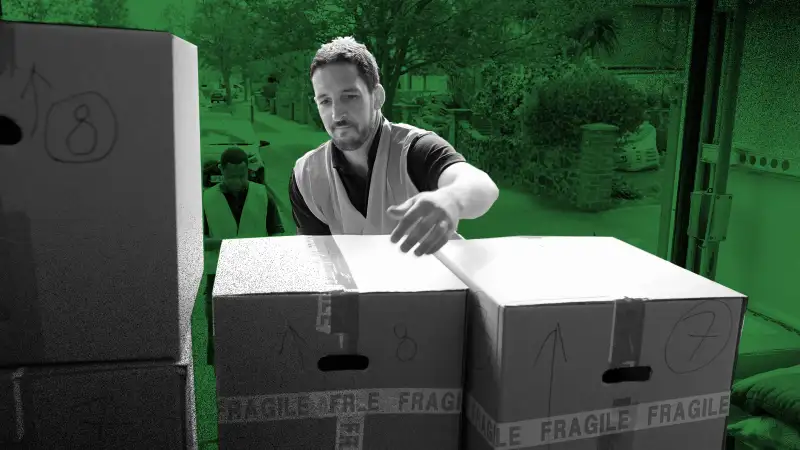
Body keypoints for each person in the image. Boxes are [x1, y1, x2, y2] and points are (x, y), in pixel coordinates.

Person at [290, 37, 499, 256]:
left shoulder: (416, 149)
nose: (336, 114)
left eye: (349, 96)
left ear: (377, 97)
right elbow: (321, 263)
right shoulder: (306, 176)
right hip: (360, 289)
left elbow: (482, 186)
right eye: (325, 101)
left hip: (439, 286)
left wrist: (451, 199)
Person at [203, 146, 284, 366]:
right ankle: (223, 382)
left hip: (256, 274)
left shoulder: (262, 195)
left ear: (248, 170)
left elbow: (277, 233)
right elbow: (194, 241)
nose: (236, 181)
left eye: (241, 176)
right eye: (231, 177)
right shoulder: (206, 200)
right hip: (218, 276)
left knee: (255, 330)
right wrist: (227, 245)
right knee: (220, 335)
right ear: (222, 170)